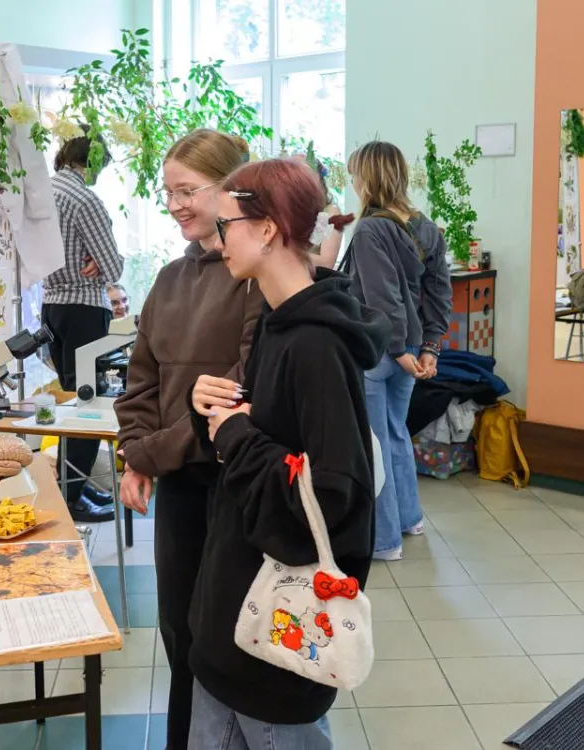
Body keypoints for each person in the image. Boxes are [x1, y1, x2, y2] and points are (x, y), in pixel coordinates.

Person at [187, 158, 387, 750]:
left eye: (225, 225)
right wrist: (217, 409)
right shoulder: (279, 322)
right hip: (232, 630)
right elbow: (272, 434)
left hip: (277, 652)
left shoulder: (316, 346)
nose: (215, 239)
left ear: (268, 228)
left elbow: (332, 496)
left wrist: (235, 435)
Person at [114, 128, 263, 750]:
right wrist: (135, 452)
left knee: (225, 635)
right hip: (177, 484)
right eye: (167, 192)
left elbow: (237, 392)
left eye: (187, 190)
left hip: (232, 482)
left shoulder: (254, 278)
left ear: (231, 189)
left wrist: (151, 450)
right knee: (178, 629)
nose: (175, 204)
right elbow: (140, 378)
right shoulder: (170, 279)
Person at [342, 141, 452, 560]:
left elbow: (380, 296)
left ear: (367, 177)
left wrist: (396, 347)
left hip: (378, 349)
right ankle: (410, 518)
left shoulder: (371, 228)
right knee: (395, 432)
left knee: (372, 443)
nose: (353, 182)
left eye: (355, 174)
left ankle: (384, 541)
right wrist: (428, 347)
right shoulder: (426, 226)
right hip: (408, 349)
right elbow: (439, 293)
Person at [42, 124, 125, 522]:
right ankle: (72, 498)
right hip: (84, 308)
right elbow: (111, 264)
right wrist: (99, 265)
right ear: (91, 164)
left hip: (51, 307)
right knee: (90, 405)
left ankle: (71, 487)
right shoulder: (83, 198)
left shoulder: (42, 192)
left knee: (74, 399)